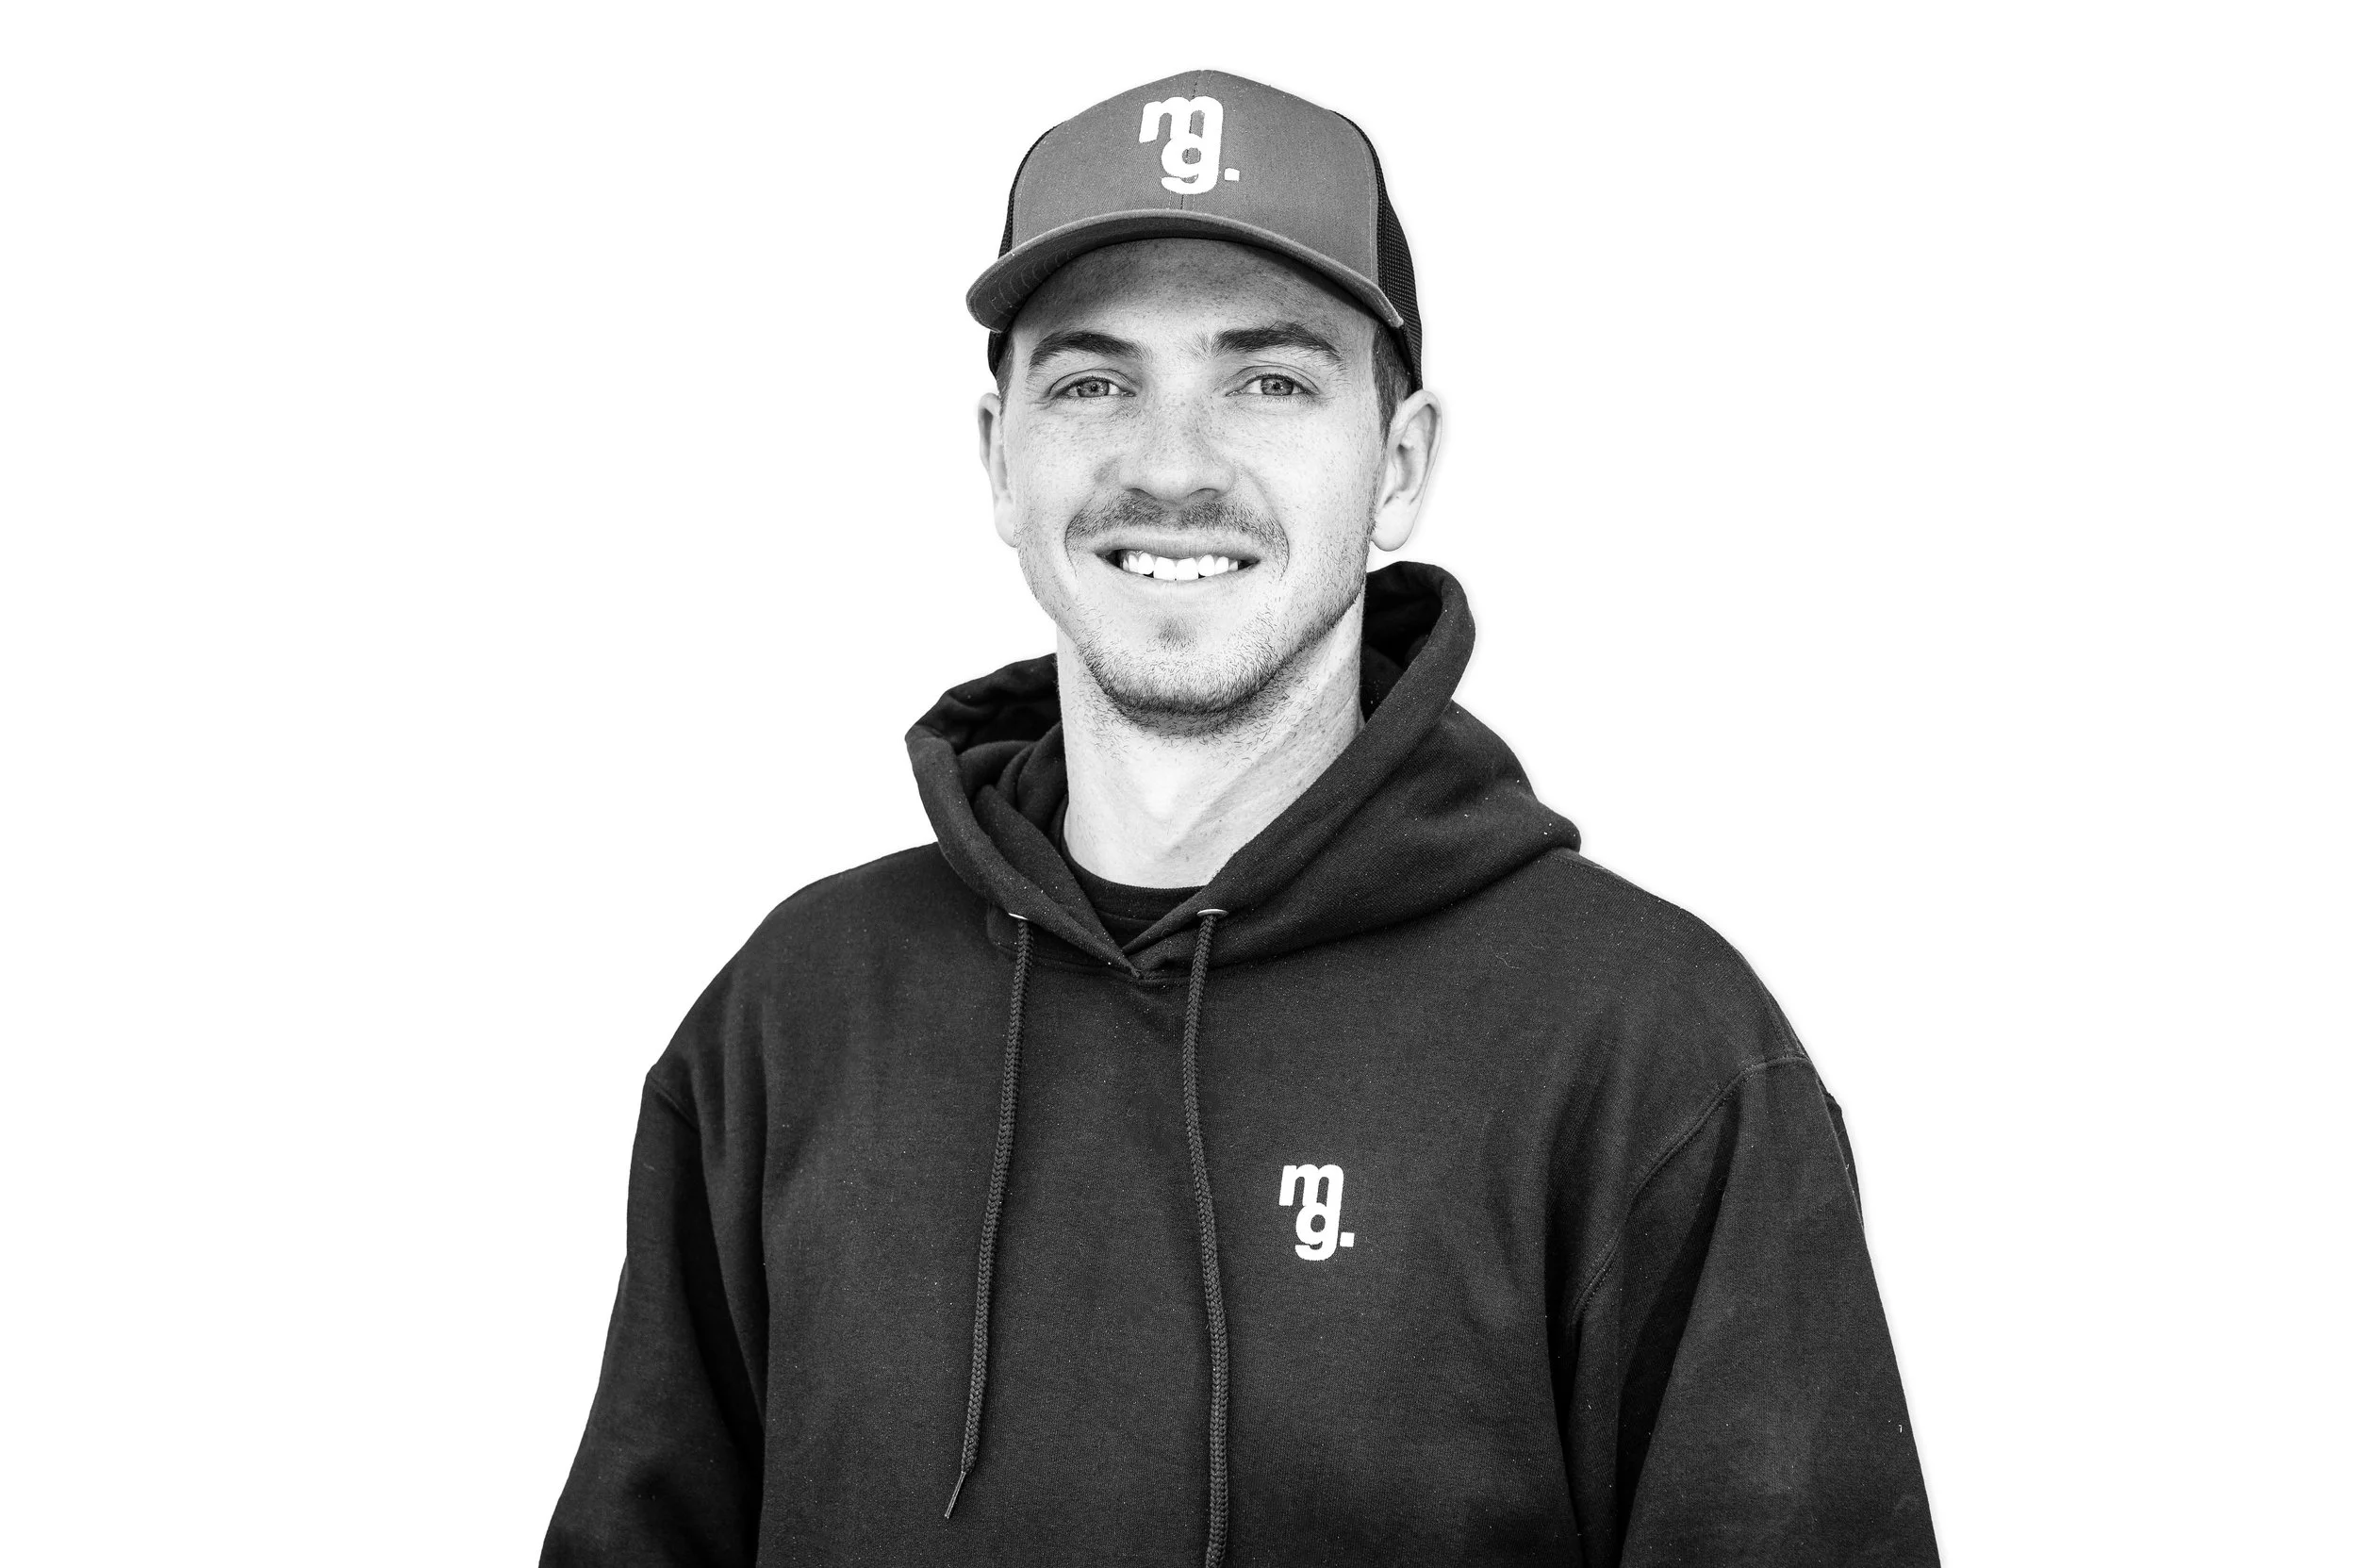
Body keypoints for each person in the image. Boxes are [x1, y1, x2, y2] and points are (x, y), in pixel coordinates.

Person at [542, 69, 1938, 1568]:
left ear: (1399, 465)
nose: (1170, 464)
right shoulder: (792, 1021)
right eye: (1093, 383)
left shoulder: (1651, 1055)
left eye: (1268, 380)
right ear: (997, 457)